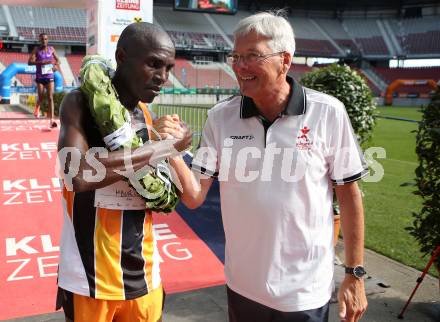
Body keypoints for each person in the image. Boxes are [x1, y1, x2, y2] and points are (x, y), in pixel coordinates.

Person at [168, 11, 369, 322]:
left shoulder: (328, 113)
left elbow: (349, 196)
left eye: (252, 56)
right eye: (235, 56)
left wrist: (354, 274)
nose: (239, 66)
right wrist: (169, 150)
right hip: (242, 285)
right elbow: (194, 197)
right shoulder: (220, 118)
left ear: (285, 60)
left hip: (305, 291)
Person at [56, 22, 191, 322]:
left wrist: (173, 150)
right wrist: (165, 148)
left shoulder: (145, 114)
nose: (163, 77)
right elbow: (76, 175)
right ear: (121, 57)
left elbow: (167, 191)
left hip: (144, 274)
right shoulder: (79, 103)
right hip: (89, 278)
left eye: (168, 67)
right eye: (153, 64)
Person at [28, 32, 60, 128]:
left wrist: (55, 66)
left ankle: (52, 120)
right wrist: (40, 62)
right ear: (39, 40)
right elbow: (29, 62)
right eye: (42, 39)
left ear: (48, 40)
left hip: (49, 75)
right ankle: (37, 107)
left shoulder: (51, 49)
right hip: (40, 77)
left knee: (50, 97)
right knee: (41, 96)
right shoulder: (36, 50)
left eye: (45, 39)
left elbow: (58, 60)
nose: (44, 41)